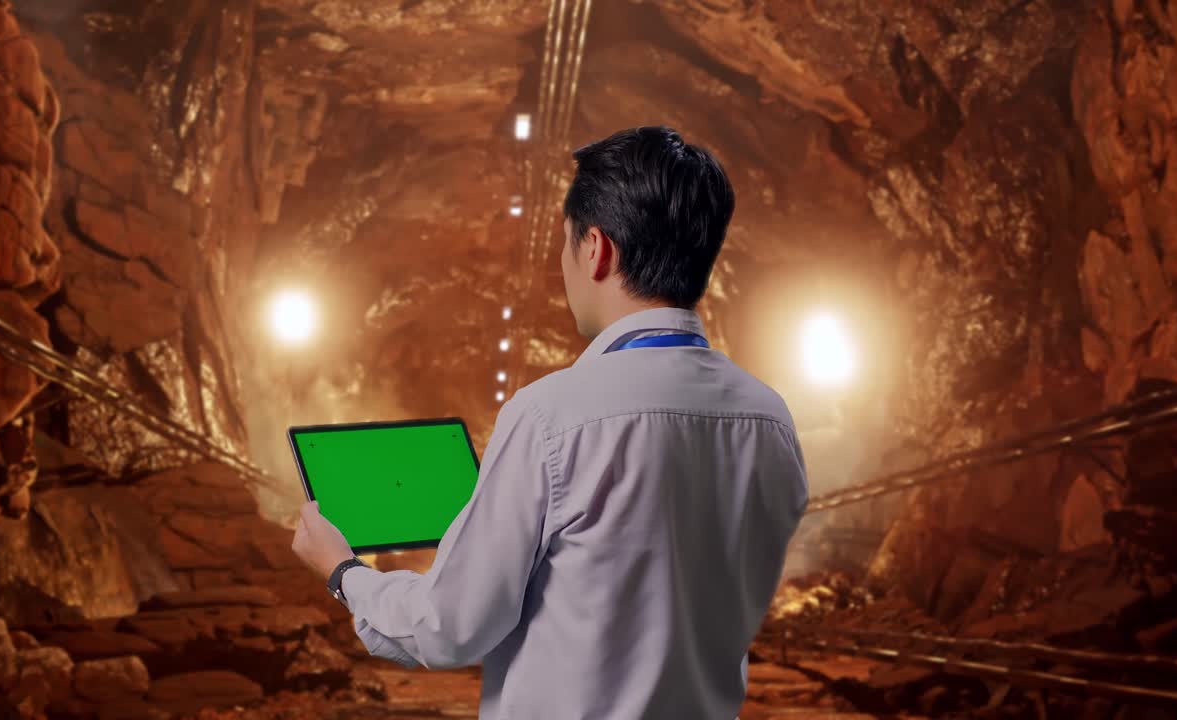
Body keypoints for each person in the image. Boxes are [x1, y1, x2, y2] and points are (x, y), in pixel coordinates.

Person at [291, 125, 809, 719]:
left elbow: (449, 627)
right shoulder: (770, 419)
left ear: (596, 248)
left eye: (566, 244)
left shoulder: (550, 417)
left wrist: (343, 572)